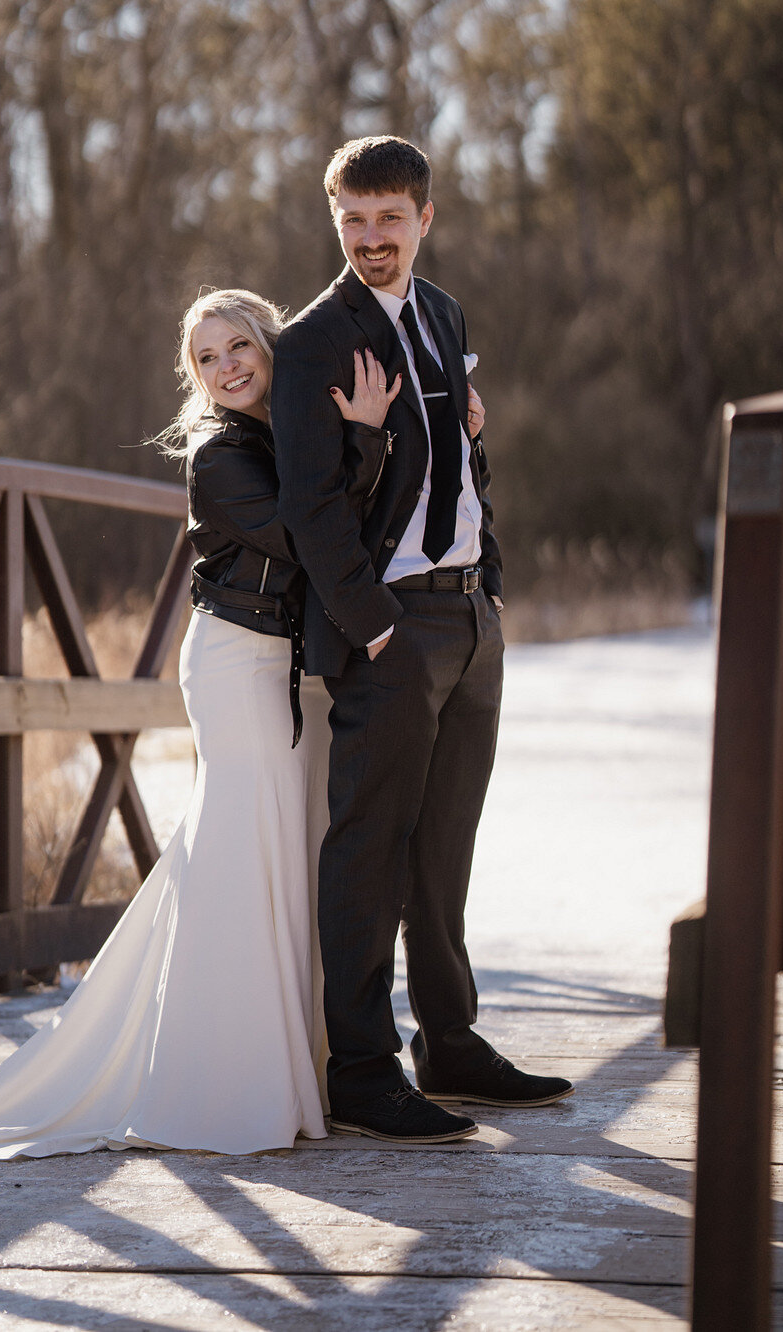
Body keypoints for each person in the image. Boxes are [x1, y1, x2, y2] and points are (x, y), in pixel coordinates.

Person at [0, 288, 400, 1161]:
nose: (226, 368)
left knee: (269, 855)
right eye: (206, 359)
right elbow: (312, 535)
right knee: (240, 854)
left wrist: (386, 433)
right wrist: (364, 438)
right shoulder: (218, 457)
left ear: (269, 343)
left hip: (290, 675)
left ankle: (293, 1065)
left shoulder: (286, 433)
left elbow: (355, 525)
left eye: (237, 347)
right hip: (234, 666)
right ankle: (222, 1087)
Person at [271, 135, 574, 1146]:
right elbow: (312, 510)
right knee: (369, 848)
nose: (369, 240)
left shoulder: (442, 314)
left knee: (446, 847)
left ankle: (451, 1041)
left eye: (388, 220)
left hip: (471, 619)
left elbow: (452, 455)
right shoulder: (314, 340)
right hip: (395, 626)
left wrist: (489, 579)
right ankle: (362, 1065)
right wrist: (376, 630)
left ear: (425, 218)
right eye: (351, 221)